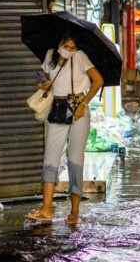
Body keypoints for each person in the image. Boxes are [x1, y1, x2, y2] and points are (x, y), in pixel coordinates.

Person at [26, 35, 104, 225]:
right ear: (58, 44)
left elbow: (98, 80)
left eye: (73, 46)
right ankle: (46, 209)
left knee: (75, 159)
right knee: (50, 158)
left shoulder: (80, 56)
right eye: (66, 45)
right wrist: (43, 83)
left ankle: (75, 211)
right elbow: (40, 75)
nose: (69, 48)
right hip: (57, 109)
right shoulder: (50, 55)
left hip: (78, 109)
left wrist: (84, 104)